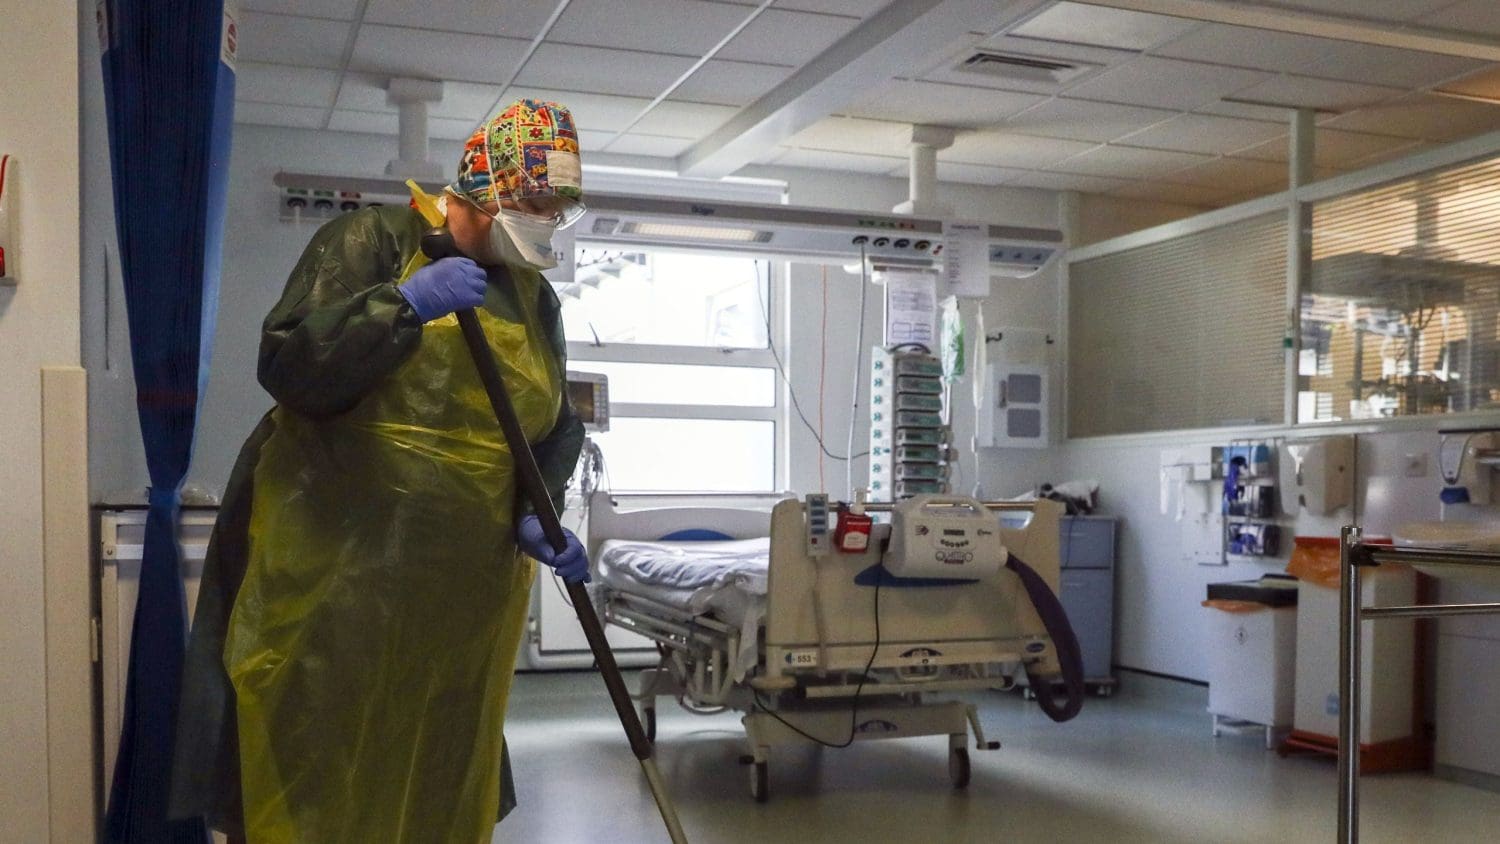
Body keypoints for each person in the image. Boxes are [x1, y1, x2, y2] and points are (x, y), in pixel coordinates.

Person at [170, 99, 590, 843]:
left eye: (558, 209)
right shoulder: (371, 242)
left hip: (461, 604)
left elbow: (554, 426)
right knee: (313, 765)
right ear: (484, 185)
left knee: (436, 769)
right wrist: (400, 306)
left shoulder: (534, 298)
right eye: (535, 201)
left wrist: (539, 508)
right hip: (335, 585)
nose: (546, 220)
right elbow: (291, 366)